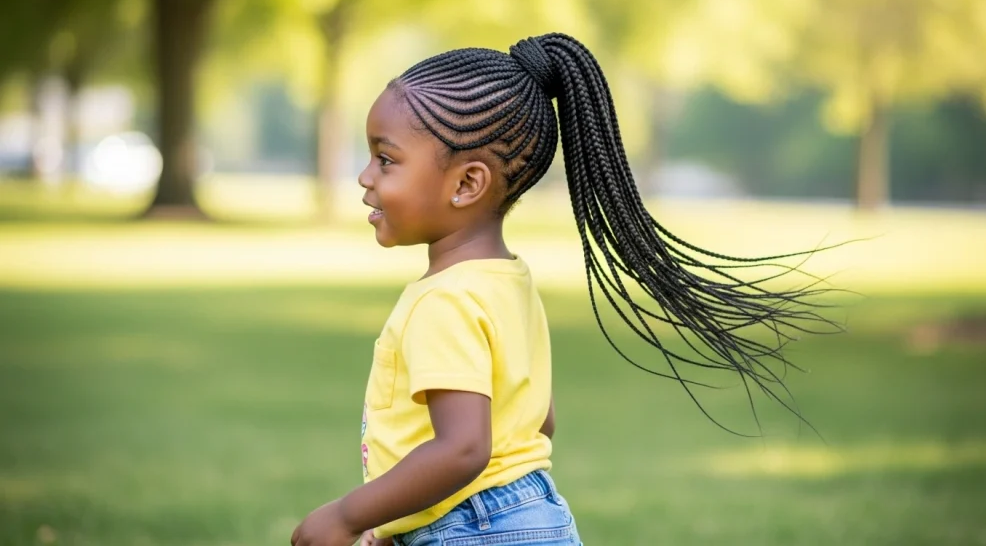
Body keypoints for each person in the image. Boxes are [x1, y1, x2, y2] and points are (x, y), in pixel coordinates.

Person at [291, 32, 841, 546]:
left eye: (385, 159)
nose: (366, 176)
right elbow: (537, 420)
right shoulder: (509, 281)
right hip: (531, 513)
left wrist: (348, 515)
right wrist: (403, 518)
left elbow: (462, 448)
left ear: (466, 184)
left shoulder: (444, 300)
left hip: (476, 528)